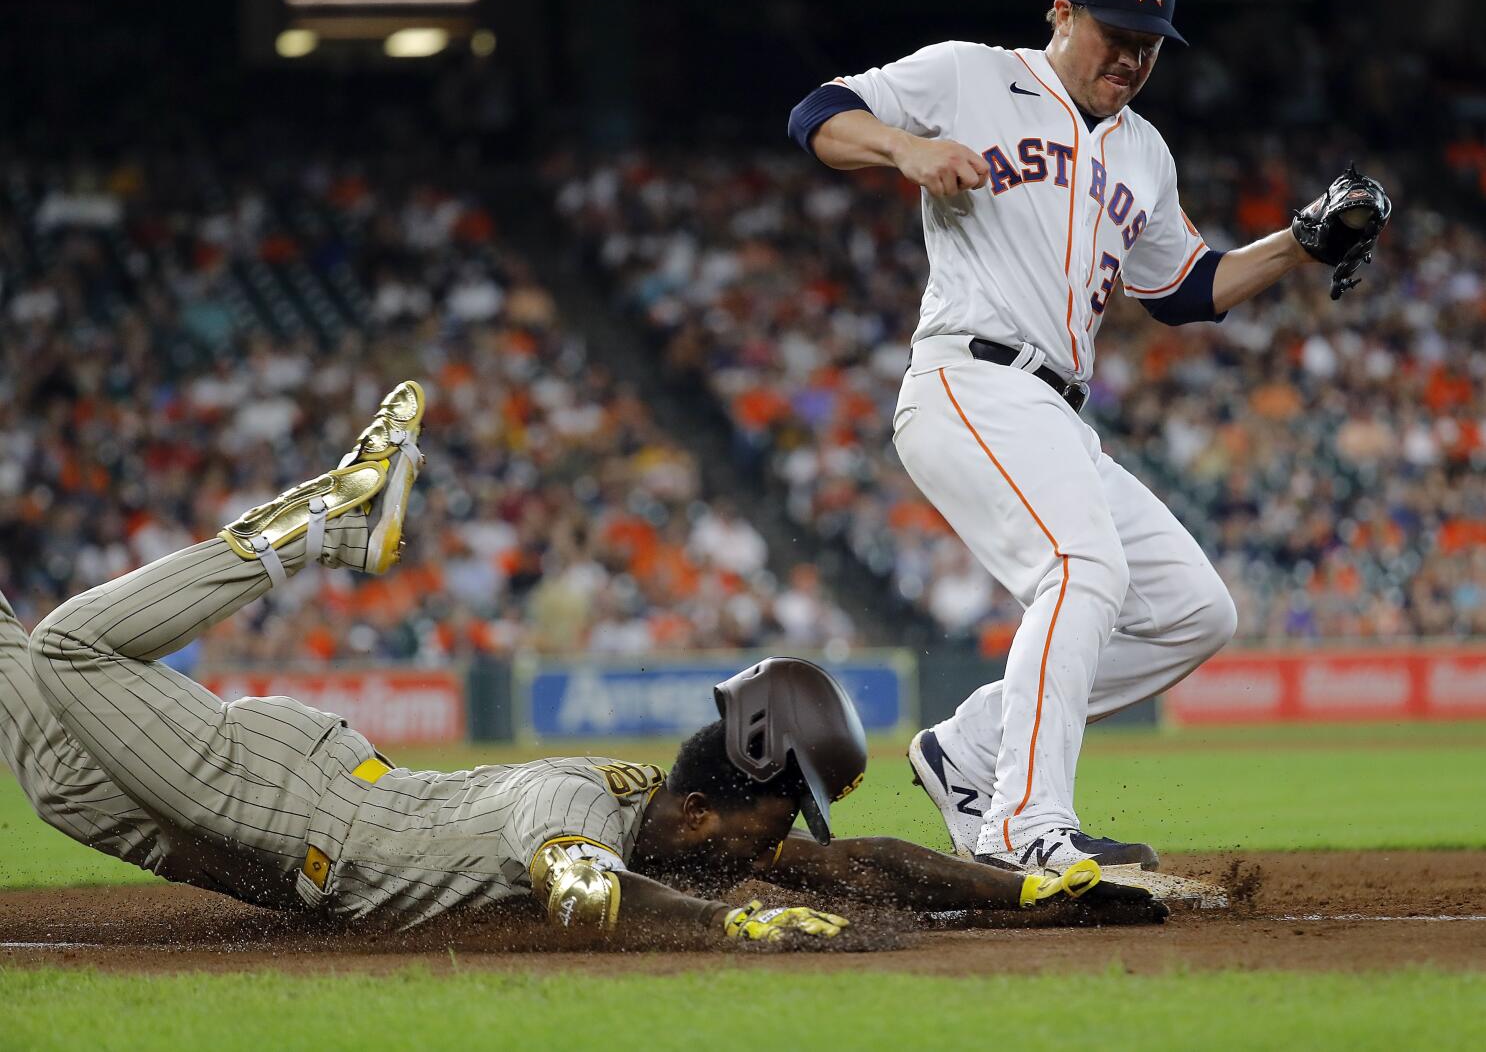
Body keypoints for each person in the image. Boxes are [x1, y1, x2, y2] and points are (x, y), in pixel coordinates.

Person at [1, 381, 1163, 939]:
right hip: (273, 798)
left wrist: (1027, 890)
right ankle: (320, 523)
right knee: (68, 646)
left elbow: (860, 862)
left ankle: (327, 525)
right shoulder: (580, 808)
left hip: (237, 810)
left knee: (33, 721)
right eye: (781, 818)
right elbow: (581, 888)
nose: (787, 848)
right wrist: (727, 932)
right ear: (714, 810)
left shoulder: (667, 820)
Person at [787, 0, 1390, 870]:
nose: (1132, 55)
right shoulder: (973, 75)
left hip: (1060, 410)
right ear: (1062, 16)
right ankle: (1023, 828)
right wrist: (901, 150)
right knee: (1082, 567)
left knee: (1195, 611)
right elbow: (818, 113)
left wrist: (1298, 244)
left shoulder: (1145, 150)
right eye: (1116, 32)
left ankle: (972, 751)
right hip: (971, 375)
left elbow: (1185, 290)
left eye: (1149, 42)